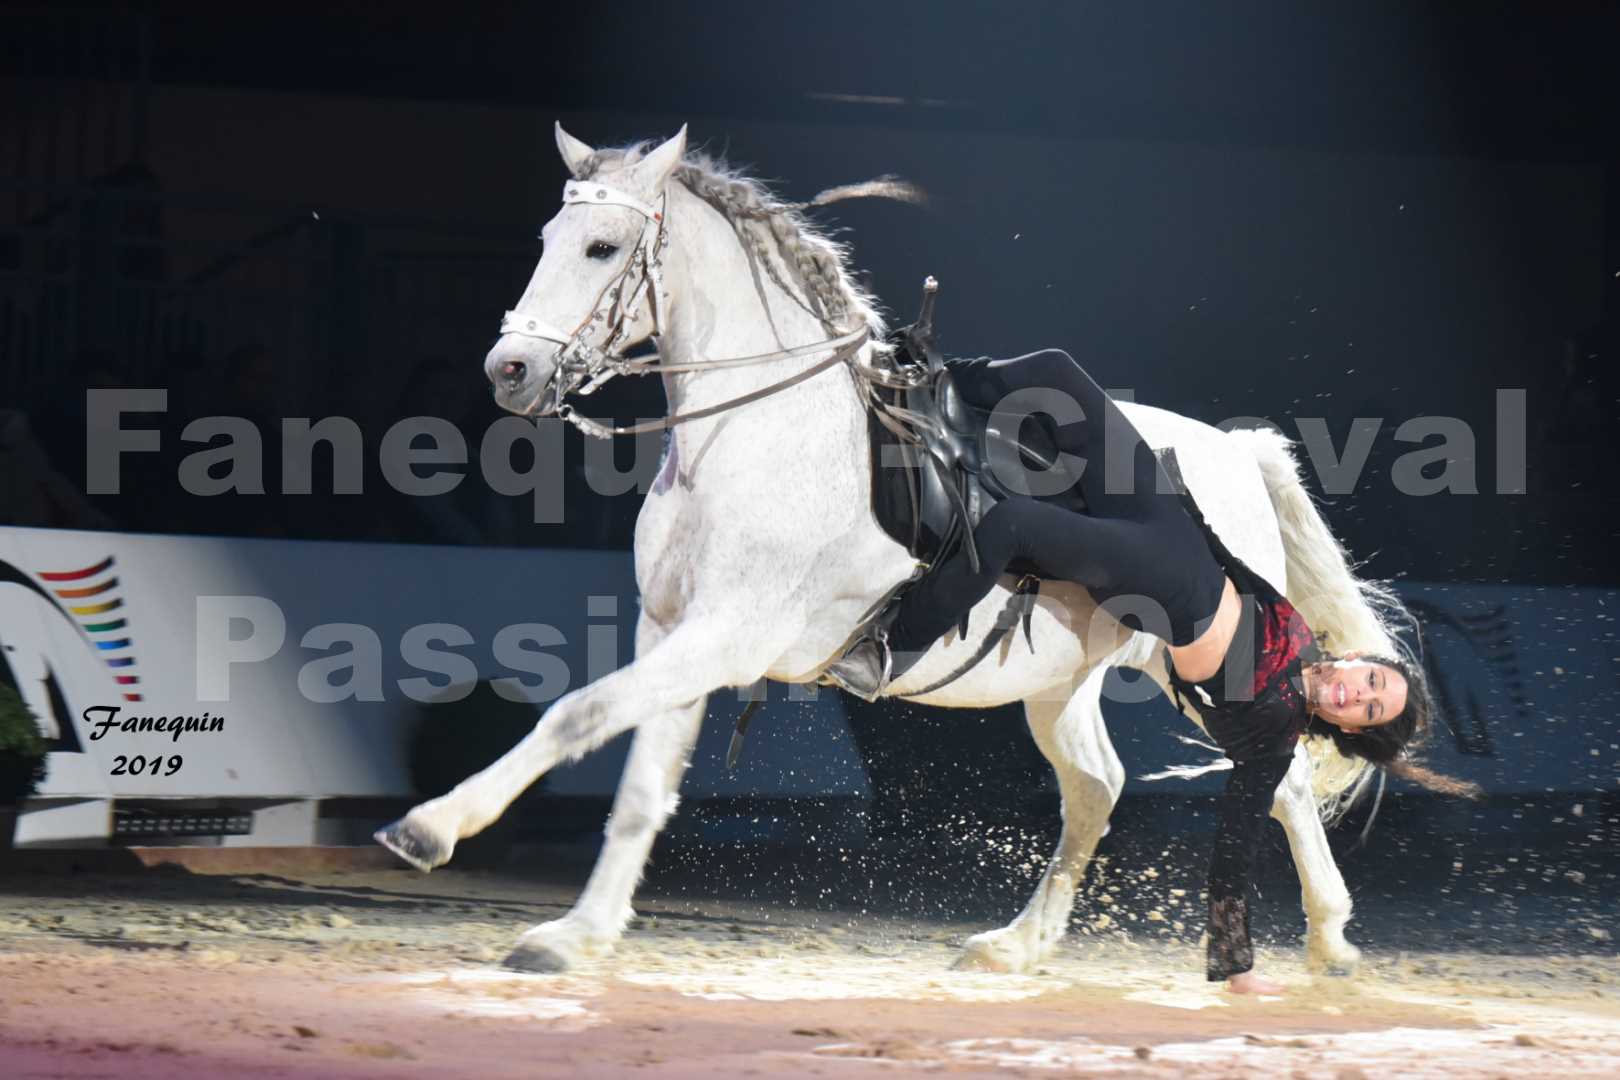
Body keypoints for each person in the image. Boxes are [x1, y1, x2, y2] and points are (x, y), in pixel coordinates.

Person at [826, 347, 1469, 993]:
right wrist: (1187, 500)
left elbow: (1234, 853)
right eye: (1373, 683)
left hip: (1165, 588)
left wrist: (1235, 966)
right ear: (1361, 660)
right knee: (1053, 374)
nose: (1357, 693)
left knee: (1013, 523)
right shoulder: (1303, 647)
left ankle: (889, 651)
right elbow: (1242, 573)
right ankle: (914, 377)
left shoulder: (1273, 732)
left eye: (1366, 710)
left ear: (1347, 727)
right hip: (1168, 521)